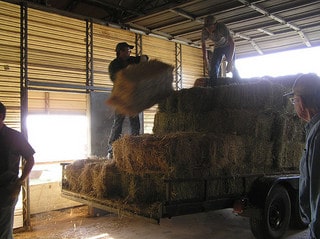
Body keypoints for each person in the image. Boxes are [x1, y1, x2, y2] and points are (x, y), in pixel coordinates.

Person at [285, 73, 320, 239]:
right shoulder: (314, 131)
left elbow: (317, 191)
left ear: (302, 102)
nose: (294, 105)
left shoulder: (318, 136)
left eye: (294, 100)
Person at [107, 42, 148, 159]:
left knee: (135, 121)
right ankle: (111, 149)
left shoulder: (131, 60)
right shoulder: (114, 65)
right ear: (119, 52)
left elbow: (144, 58)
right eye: (125, 50)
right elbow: (116, 78)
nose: (128, 52)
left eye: (129, 50)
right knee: (118, 122)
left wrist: (144, 59)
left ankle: (135, 145)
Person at [0, 101, 35, 239]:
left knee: (3, 231)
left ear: (1, 116)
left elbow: (30, 159)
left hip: (6, 191)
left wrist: (20, 182)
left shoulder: (15, 137)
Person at [201, 15, 237, 87]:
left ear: (215, 24)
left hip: (228, 46)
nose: (209, 29)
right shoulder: (205, 30)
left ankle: (238, 83)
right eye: (207, 27)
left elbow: (232, 43)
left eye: (210, 27)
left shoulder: (222, 27)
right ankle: (213, 87)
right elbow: (203, 44)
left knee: (233, 66)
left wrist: (230, 62)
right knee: (213, 67)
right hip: (218, 47)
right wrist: (205, 59)